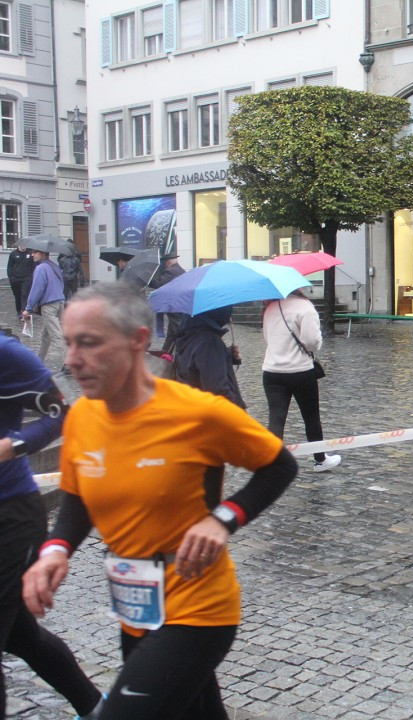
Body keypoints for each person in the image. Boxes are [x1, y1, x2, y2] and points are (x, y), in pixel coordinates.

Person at [21, 282, 299, 720]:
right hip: (136, 605)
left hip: (198, 608)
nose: (72, 359)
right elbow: (78, 496)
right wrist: (56, 551)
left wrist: (223, 519)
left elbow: (280, 465)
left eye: (89, 343)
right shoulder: (83, 419)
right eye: (70, 343)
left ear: (138, 341)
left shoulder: (198, 413)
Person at [0, 335, 105, 719]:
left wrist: (13, 445)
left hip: (9, 515)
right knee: (19, 635)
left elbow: (60, 411)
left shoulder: (5, 354)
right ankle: (95, 706)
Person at [262, 289, 341, 473]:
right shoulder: (305, 307)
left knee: (276, 418)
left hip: (272, 371)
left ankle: (271, 463)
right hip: (300, 371)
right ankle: (320, 459)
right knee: (311, 417)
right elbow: (312, 341)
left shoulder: (271, 307)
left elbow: (267, 338)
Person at [173, 306, 245, 409]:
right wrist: (237, 409)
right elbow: (217, 389)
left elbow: (196, 363)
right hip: (212, 413)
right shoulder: (209, 341)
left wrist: (227, 355)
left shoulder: (190, 333)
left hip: (193, 405)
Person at [21, 248, 65, 367]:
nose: (32, 255)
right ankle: (38, 360)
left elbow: (37, 289)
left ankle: (69, 363)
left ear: (43, 253)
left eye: (35, 252)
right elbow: (61, 283)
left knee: (56, 335)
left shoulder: (40, 268)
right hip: (59, 302)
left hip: (49, 305)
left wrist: (28, 308)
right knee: (45, 335)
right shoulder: (54, 266)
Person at [152, 252, 187, 356]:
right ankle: (165, 354)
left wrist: (148, 280)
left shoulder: (171, 271)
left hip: (174, 306)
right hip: (179, 305)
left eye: (166, 263)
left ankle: (182, 353)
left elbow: (159, 284)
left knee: (178, 331)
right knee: (172, 334)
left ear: (168, 262)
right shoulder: (181, 270)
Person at [7, 243, 34, 317]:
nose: (23, 247)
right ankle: (18, 310)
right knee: (17, 296)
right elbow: (10, 267)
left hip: (26, 279)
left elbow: (33, 265)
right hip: (15, 279)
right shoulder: (13, 254)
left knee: (24, 295)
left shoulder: (30, 253)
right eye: (22, 245)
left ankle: (24, 311)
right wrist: (11, 278)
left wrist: (31, 277)